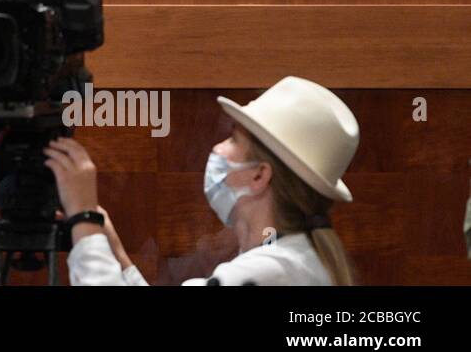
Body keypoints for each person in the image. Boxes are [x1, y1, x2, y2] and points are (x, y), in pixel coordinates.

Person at [46, 76, 360, 285]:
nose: (217, 149)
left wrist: (84, 222)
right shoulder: (290, 262)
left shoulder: (268, 273)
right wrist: (117, 254)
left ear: (259, 175)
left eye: (234, 140)